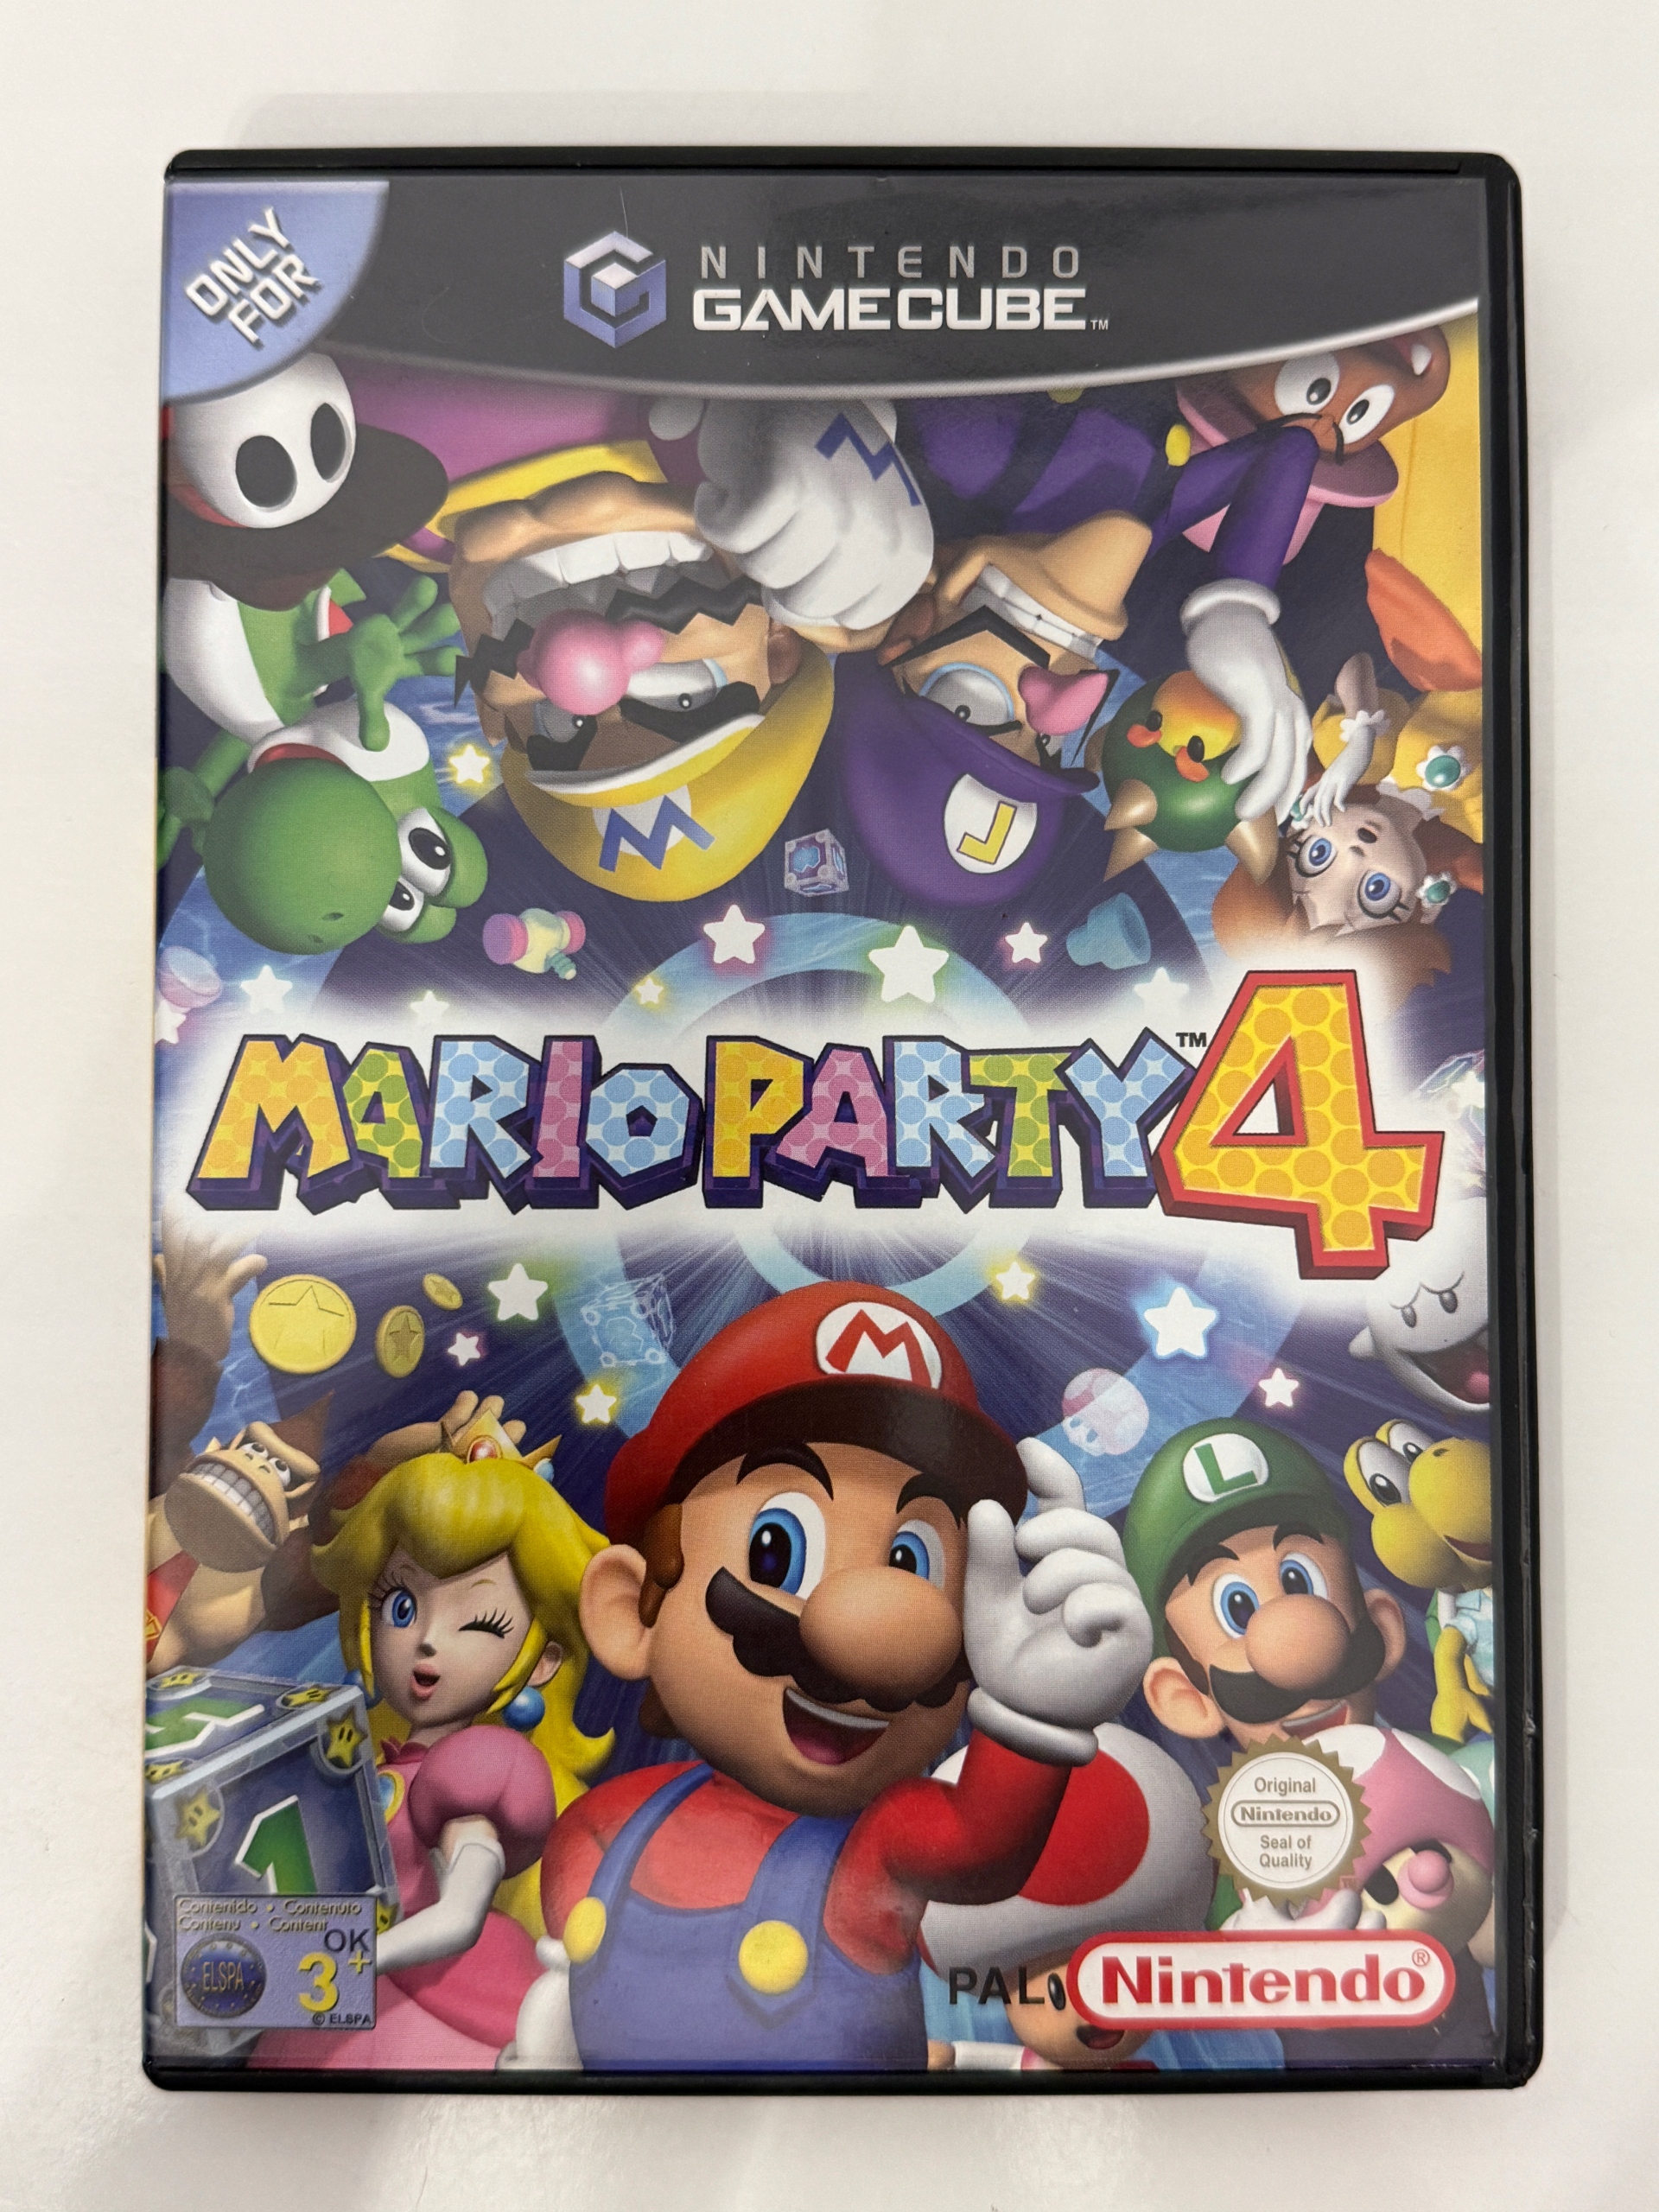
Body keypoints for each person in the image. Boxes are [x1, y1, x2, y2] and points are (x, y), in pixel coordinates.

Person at [251, 1449, 608, 2070]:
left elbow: (460, 1915)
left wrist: (350, 1957)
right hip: (328, 2002)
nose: (427, 1639)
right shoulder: (368, 1766)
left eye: (481, 1623)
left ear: (543, 1660)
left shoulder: (478, 1768)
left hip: (404, 2019)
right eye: (402, 1606)